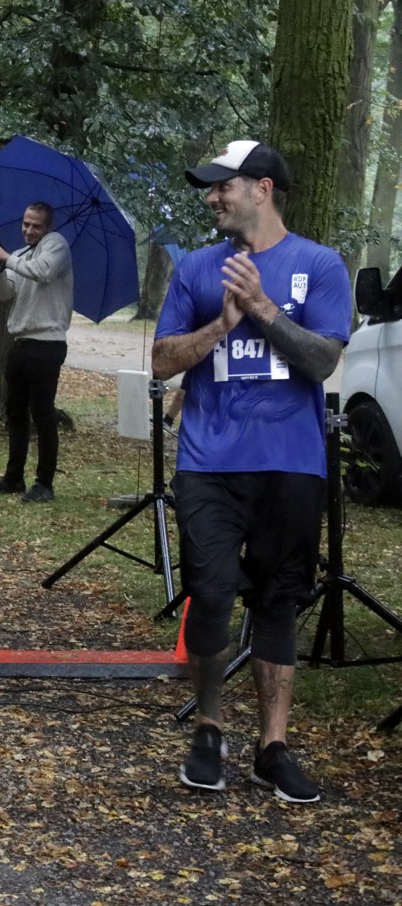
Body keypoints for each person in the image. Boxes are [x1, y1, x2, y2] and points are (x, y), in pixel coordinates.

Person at [152, 140, 349, 804]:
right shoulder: (197, 268)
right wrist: (221, 324)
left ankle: (273, 747)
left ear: (261, 188)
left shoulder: (318, 264)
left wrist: (263, 309)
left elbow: (323, 361)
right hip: (209, 460)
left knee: (277, 600)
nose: (212, 197)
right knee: (209, 591)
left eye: (222, 185)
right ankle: (209, 731)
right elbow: (161, 361)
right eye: (210, 187)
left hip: (290, 462)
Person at [0, 203, 73, 504]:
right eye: (26, 224)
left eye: (36, 226)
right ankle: (13, 477)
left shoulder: (56, 245)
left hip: (47, 343)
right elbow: (5, 294)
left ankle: (44, 483)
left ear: (48, 227)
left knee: (43, 414)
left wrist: (8, 258)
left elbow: (43, 272)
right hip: (20, 343)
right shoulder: (20, 255)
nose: (29, 230)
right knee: (16, 413)